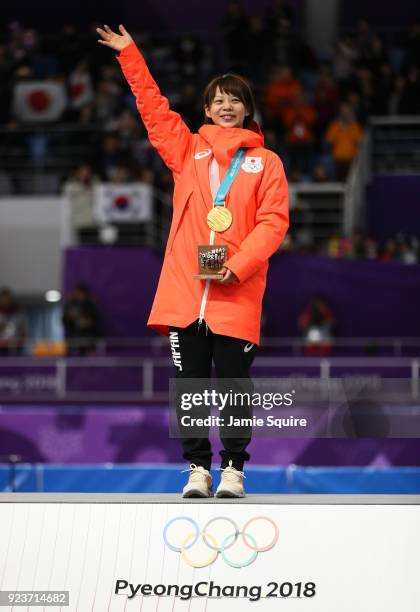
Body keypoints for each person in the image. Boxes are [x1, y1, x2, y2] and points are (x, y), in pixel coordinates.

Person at [97, 24, 289, 498]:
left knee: (235, 385)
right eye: (218, 100)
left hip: (236, 291)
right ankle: (197, 470)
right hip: (188, 291)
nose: (226, 106)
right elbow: (153, 109)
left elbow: (272, 223)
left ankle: (234, 470)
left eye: (235, 99)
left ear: (247, 109)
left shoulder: (266, 163)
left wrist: (237, 265)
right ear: (206, 110)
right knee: (190, 386)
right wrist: (130, 56)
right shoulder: (187, 151)